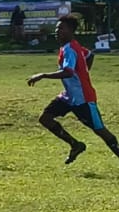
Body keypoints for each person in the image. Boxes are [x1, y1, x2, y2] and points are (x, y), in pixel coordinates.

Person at [27, 15, 119, 165]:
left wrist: (42, 75)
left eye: (61, 29)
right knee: (46, 118)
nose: (57, 31)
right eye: (57, 29)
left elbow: (68, 72)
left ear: (71, 31)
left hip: (83, 98)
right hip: (69, 97)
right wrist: (83, 71)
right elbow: (90, 55)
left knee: (100, 130)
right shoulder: (73, 46)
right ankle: (75, 145)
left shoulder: (70, 49)